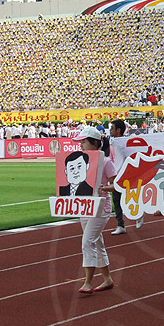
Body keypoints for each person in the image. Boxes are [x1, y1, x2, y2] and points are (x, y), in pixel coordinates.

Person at [71, 126, 116, 294]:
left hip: (100, 207)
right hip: (85, 206)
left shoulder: (105, 162)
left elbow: (116, 185)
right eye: (80, 141)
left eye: (84, 141)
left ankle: (88, 282)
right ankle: (107, 279)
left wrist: (105, 188)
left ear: (94, 143)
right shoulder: (80, 162)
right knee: (97, 242)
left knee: (87, 241)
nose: (81, 145)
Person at [108, 119, 144, 234]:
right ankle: (120, 224)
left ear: (118, 130)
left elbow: (123, 159)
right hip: (118, 175)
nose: (110, 130)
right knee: (117, 200)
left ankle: (139, 214)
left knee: (131, 197)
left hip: (126, 176)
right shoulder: (113, 142)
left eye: (112, 128)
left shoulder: (123, 143)